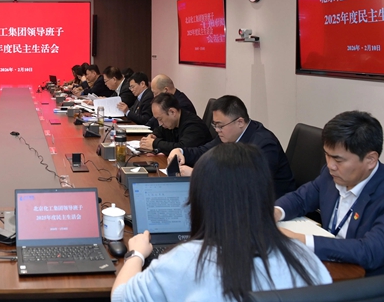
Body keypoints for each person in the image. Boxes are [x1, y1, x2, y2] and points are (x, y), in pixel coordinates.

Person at [111, 142, 331, 302]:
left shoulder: (186, 259)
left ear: (199, 199)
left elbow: (121, 297)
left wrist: (136, 254)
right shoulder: (304, 259)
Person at [275, 110, 384, 276]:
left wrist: (301, 240)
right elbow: (301, 198)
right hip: (326, 265)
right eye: (327, 155)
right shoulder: (331, 174)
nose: (330, 165)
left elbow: (369, 251)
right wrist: (274, 212)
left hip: (363, 279)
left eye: (338, 160)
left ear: (370, 160)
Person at [168, 95, 295, 198]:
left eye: (220, 125)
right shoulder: (229, 134)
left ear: (240, 122)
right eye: (215, 125)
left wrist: (198, 174)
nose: (217, 130)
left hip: (273, 207)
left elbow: (249, 184)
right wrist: (180, 151)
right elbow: (205, 151)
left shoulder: (264, 144)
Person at [139, 93, 213, 155]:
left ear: (172, 112)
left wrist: (155, 143)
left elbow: (181, 149)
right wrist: (153, 136)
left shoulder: (194, 126)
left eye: (160, 119)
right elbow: (160, 130)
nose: (160, 123)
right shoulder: (172, 122)